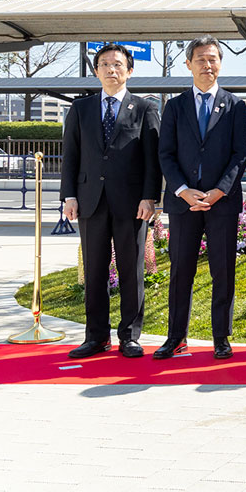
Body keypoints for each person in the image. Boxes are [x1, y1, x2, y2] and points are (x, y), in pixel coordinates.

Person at [61, 43, 161, 359]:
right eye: (104, 64)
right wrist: (69, 195)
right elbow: (71, 156)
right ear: (96, 70)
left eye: (117, 64)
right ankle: (96, 337)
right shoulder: (81, 109)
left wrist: (150, 197)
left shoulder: (144, 109)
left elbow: (152, 160)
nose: (111, 70)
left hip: (132, 203)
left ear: (129, 71)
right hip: (90, 201)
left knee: (131, 272)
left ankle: (129, 336)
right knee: (94, 272)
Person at [154, 36, 246, 360]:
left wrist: (219, 190)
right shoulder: (175, 106)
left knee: (223, 271)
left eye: (212, 59)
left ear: (220, 63)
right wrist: (182, 190)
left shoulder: (235, 105)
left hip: (221, 202)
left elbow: (239, 155)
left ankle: (221, 337)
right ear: (188, 64)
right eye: (200, 59)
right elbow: (165, 154)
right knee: (181, 270)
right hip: (185, 202)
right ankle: (176, 337)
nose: (207, 65)